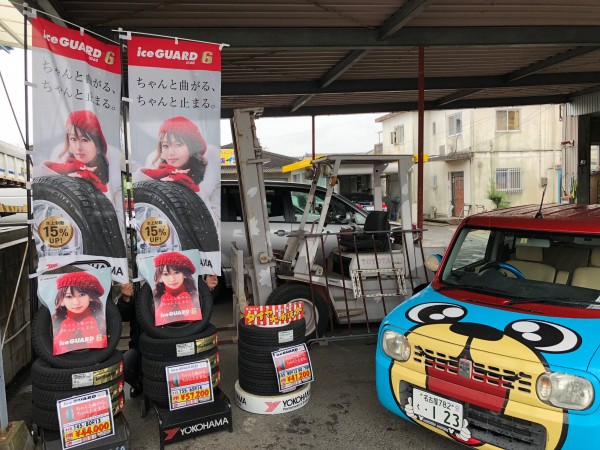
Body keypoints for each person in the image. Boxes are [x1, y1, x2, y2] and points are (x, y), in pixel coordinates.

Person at [43, 110, 110, 193]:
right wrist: (73, 167)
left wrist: (89, 177)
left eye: (84, 140)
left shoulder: (110, 174)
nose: (78, 147)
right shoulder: (61, 169)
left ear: (98, 146)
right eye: (73, 139)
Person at [140, 116, 207, 192]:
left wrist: (189, 189)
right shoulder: (155, 171)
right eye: (166, 146)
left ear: (191, 148)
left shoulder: (208, 176)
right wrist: (155, 175)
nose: (171, 153)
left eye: (178, 145)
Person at [52, 272, 107, 356]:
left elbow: (108, 349)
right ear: (62, 299)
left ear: (91, 297)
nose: (76, 302)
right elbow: (49, 352)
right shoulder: (54, 321)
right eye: (69, 296)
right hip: (66, 362)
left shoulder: (102, 320)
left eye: (82, 295)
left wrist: (95, 336)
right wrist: (61, 338)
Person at [153, 252, 203, 326]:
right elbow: (150, 322)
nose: (172, 279)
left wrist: (189, 308)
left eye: (177, 272)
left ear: (184, 274)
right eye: (165, 274)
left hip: (191, 330)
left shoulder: (196, 293)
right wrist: (162, 310)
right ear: (160, 276)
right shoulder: (154, 295)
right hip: (166, 331)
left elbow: (202, 318)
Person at [115, 282, 143, 398]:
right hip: (140, 346)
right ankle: (137, 385)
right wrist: (126, 298)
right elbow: (124, 316)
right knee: (124, 366)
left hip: (166, 343)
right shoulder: (138, 290)